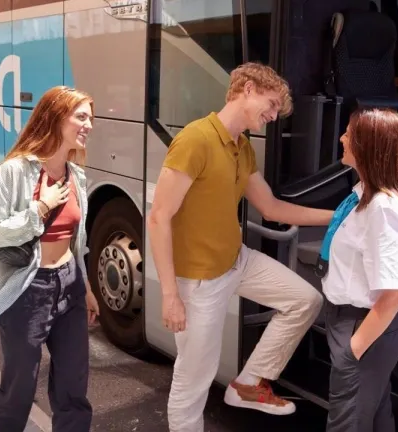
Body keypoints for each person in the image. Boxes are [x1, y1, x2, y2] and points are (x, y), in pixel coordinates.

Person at [147, 61, 334, 432]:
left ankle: (248, 383)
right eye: (272, 104)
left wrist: (339, 216)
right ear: (247, 89)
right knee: (194, 378)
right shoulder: (196, 140)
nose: (274, 115)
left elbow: (272, 208)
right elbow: (159, 217)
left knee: (305, 300)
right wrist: (170, 295)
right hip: (199, 280)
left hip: (237, 261)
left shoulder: (242, 147)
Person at [0, 86, 100, 432]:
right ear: (56, 116)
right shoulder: (14, 172)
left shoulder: (77, 175)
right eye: (81, 116)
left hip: (70, 284)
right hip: (28, 289)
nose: (89, 125)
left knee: (74, 389)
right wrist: (41, 207)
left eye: (91, 118)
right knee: (18, 390)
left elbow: (77, 242)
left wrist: (86, 287)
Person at [320, 108, 398, 432]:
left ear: (369, 146)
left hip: (364, 327)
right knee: (376, 419)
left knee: (346, 424)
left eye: (349, 134)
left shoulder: (384, 209)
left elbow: (394, 294)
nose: (342, 139)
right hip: (352, 323)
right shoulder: (363, 195)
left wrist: (354, 351)